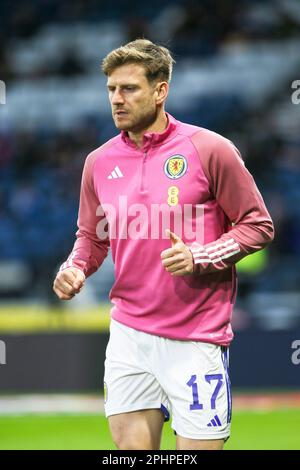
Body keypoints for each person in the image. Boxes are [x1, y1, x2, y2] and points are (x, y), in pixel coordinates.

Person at [53, 39, 274, 450]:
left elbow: (258, 225)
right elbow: (90, 236)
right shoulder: (98, 162)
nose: (117, 99)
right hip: (128, 335)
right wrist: (75, 268)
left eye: (129, 89)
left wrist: (200, 256)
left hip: (196, 336)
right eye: (111, 89)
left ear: (160, 90)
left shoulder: (210, 149)